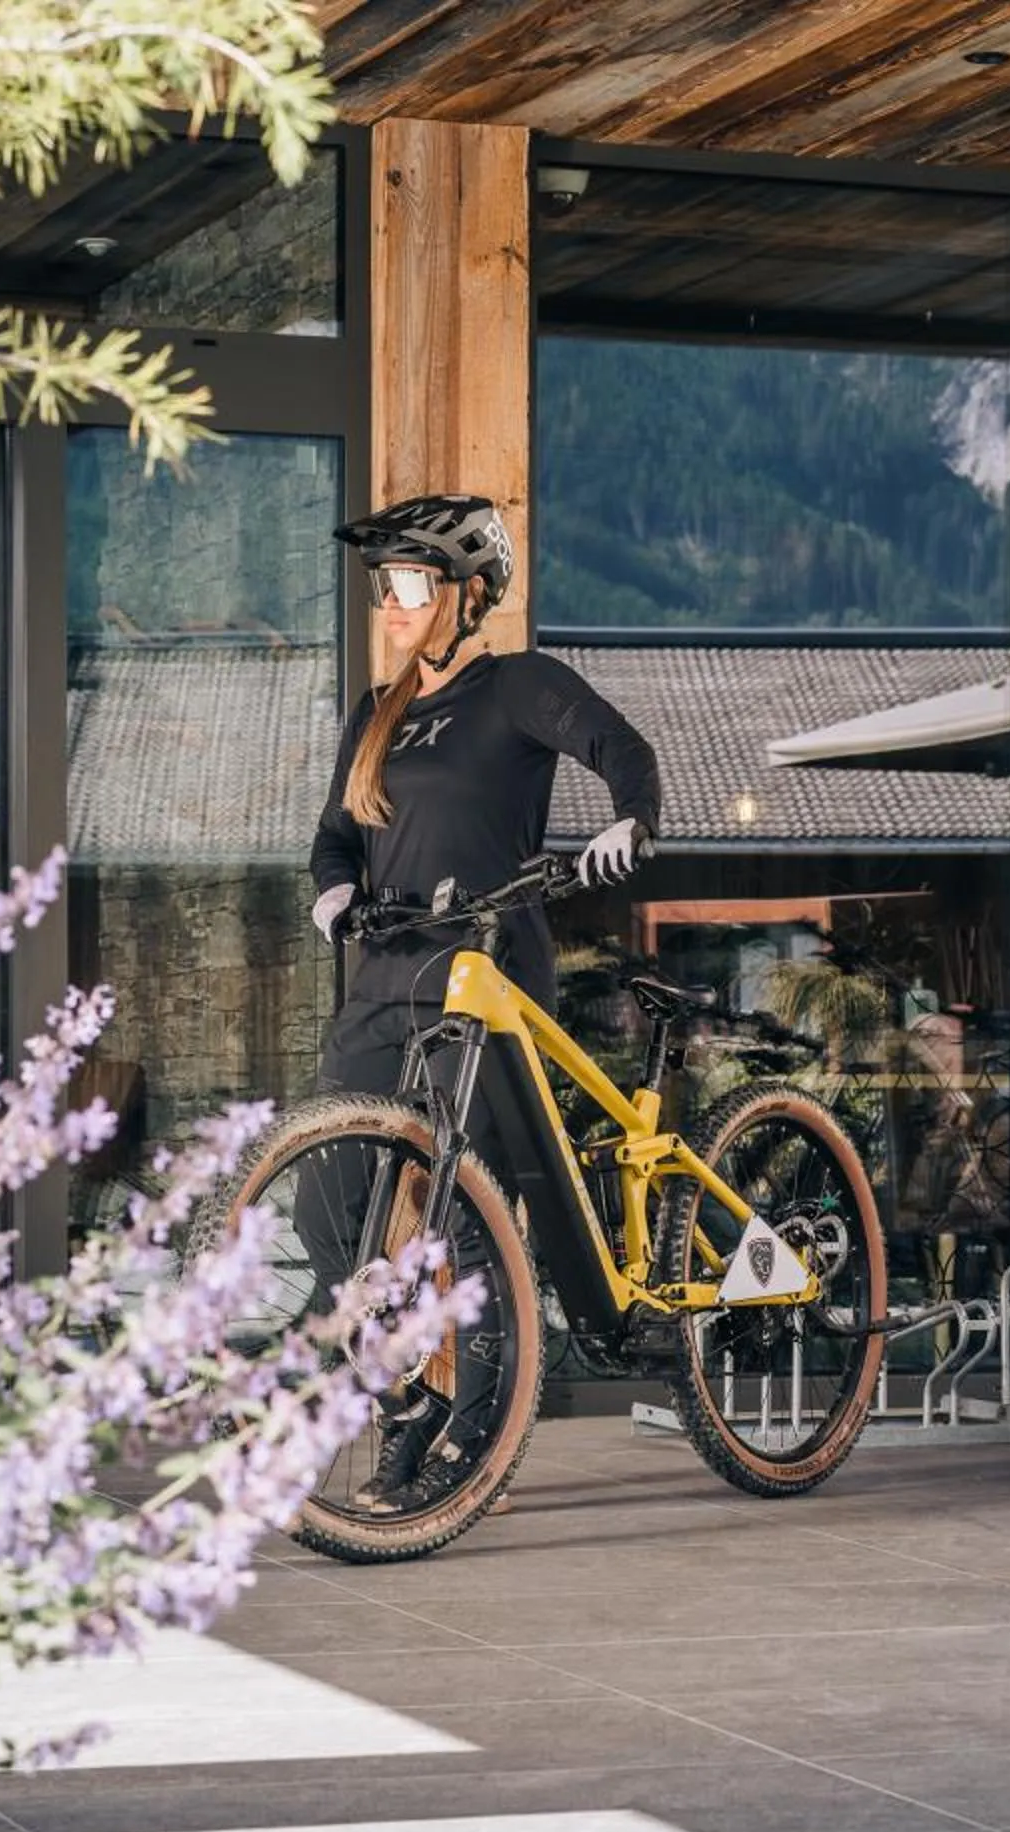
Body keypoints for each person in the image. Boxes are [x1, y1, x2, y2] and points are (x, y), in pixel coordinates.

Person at [305, 493, 663, 1511]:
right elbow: (336, 838)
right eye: (384, 586)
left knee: (475, 1219)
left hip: (488, 976)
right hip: (384, 976)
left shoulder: (517, 687)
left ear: (465, 595)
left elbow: (620, 748)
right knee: (330, 1204)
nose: (391, 603)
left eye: (411, 584)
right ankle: (408, 1400)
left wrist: (631, 822)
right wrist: (332, 889)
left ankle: (478, 1446)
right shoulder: (375, 712)